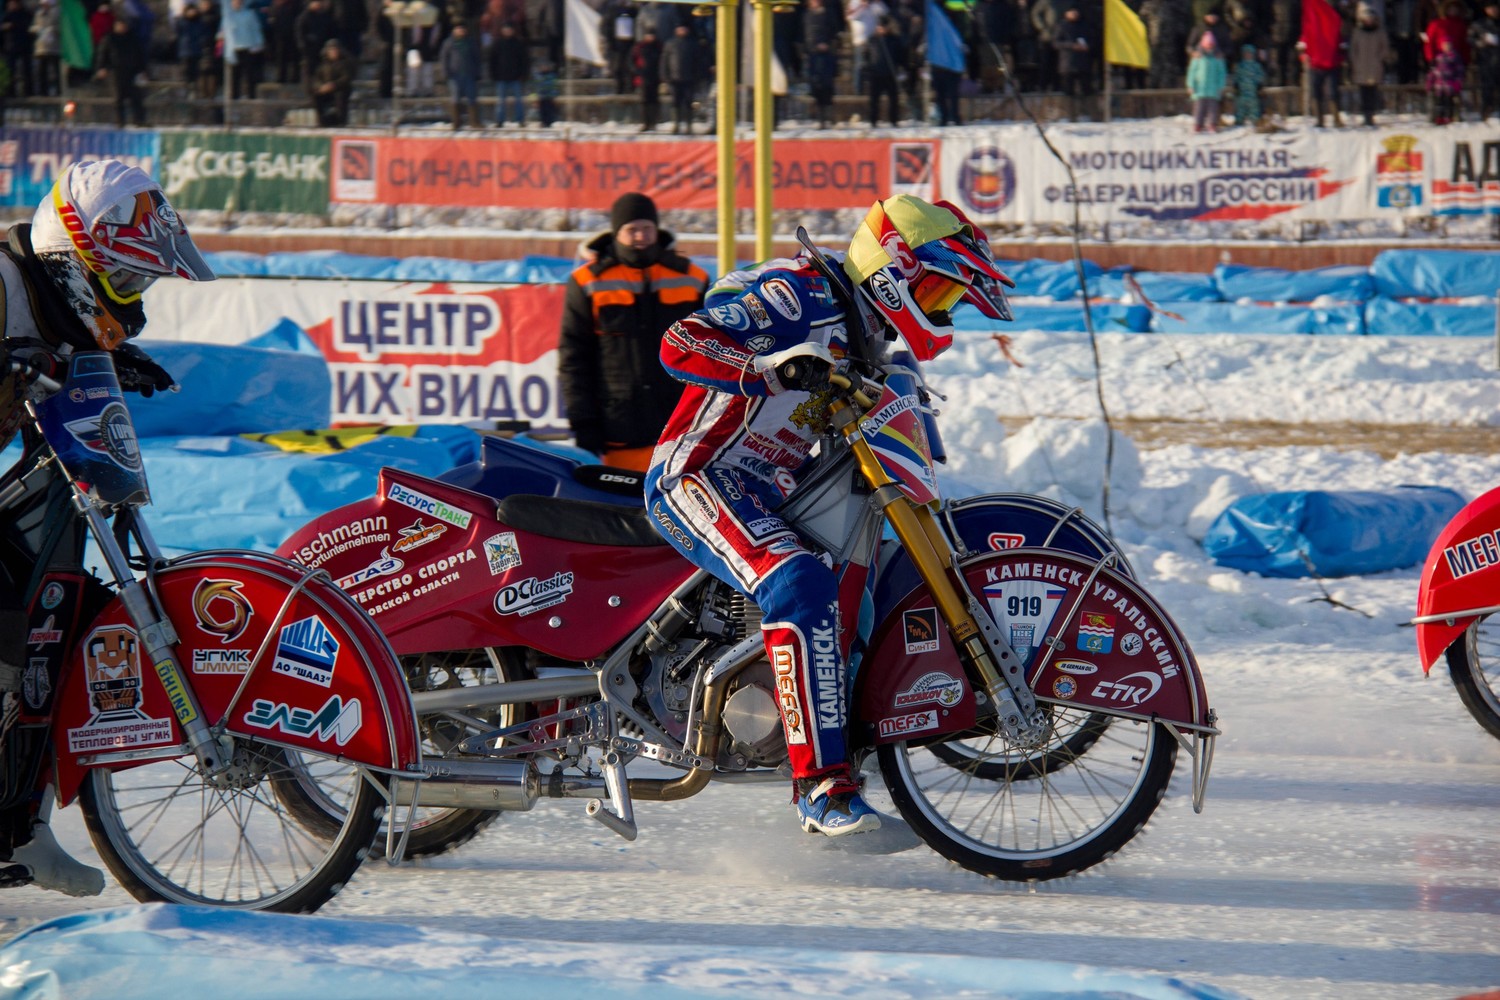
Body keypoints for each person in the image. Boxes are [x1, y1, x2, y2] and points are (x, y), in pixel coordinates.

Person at [643, 195, 1013, 836]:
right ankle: (818, 786)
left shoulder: (867, 335)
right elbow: (681, 341)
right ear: (895, 266)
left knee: (860, 590)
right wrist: (765, 368)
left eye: (950, 302)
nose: (940, 311)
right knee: (801, 582)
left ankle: (842, 739)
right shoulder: (804, 297)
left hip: (769, 488)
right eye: (938, 291)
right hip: (699, 475)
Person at [0, 159, 213, 897]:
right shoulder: (1, 283)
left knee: (57, 614)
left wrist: (119, 357)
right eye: (124, 280)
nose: (132, 296)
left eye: (141, 282)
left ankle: (20, 826)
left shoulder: (60, 301)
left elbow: (67, 348)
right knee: (3, 620)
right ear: (74, 259)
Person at [558, 192, 709, 472]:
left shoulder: (692, 278)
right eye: (632, 229)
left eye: (647, 228)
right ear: (617, 232)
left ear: (657, 229)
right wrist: (584, 424)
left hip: (681, 425)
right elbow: (574, 359)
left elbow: (709, 352)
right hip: (618, 430)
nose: (640, 236)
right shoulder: (588, 281)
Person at [94, 17, 147, 127]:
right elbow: (103, 54)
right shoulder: (109, 38)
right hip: (116, 72)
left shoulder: (132, 38)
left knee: (136, 97)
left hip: (132, 72)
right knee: (118, 98)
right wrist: (101, 67)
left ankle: (139, 120)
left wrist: (142, 70)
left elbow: (140, 55)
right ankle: (120, 121)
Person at [1347, 3, 1391, 126]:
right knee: (1363, 93)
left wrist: (1379, 59)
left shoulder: (1379, 32)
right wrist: (1355, 62)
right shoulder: (1357, 32)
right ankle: (1365, 115)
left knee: (1373, 92)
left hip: (1374, 67)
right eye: (1367, 18)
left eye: (1371, 18)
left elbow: (1385, 48)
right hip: (1361, 67)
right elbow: (1353, 49)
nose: (1369, 20)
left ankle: (1371, 115)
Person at [439, 19, 481, 129]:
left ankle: (474, 122)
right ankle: (456, 122)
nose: (461, 31)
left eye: (462, 29)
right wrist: (445, 72)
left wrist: (477, 72)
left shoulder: (470, 42)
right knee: (455, 99)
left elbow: (476, 58)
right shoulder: (448, 43)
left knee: (472, 98)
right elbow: (444, 58)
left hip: (469, 74)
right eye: (458, 29)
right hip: (454, 75)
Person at [221, 0, 266, 100]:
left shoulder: (249, 14)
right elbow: (224, 32)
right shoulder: (228, 17)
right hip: (234, 49)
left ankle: (251, 96)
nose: (237, 4)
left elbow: (255, 29)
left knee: (249, 75)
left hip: (247, 48)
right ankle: (234, 97)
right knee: (235, 76)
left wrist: (258, 43)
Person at [1051, 6, 1091, 118]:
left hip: (1083, 62)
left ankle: (1087, 112)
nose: (1074, 14)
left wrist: (1088, 46)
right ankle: (1071, 115)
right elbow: (1056, 43)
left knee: (1087, 89)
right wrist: (1071, 46)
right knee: (1068, 91)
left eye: (1076, 11)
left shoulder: (1084, 25)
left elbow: (1093, 39)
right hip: (1067, 63)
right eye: (1071, 12)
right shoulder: (1061, 26)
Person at [660, 22, 700, 134]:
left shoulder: (692, 43)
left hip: (689, 78)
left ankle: (689, 125)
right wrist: (665, 76)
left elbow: (697, 61)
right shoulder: (670, 43)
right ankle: (676, 124)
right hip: (674, 79)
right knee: (675, 103)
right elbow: (664, 61)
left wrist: (696, 76)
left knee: (688, 103)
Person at [489, 20, 529, 126]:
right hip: (501, 77)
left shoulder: (518, 43)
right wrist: (494, 75)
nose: (507, 31)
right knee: (500, 101)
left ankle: (520, 120)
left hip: (516, 77)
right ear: (502, 30)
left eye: (509, 29)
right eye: (505, 29)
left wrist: (524, 74)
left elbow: (524, 60)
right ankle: (499, 120)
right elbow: (492, 61)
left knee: (519, 101)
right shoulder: (497, 43)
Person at [867, 16, 905, 125]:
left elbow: (900, 57)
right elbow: (867, 56)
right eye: (880, 26)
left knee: (894, 99)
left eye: (884, 26)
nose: (881, 29)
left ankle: (894, 120)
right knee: (874, 100)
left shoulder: (894, 40)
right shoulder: (872, 40)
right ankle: (873, 120)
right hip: (876, 74)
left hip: (890, 74)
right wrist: (869, 69)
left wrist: (900, 68)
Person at [1187, 30, 1226, 131]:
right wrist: (1190, 85)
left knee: (1213, 109)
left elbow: (1221, 73)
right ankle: (1198, 124)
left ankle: (1212, 123)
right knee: (1199, 108)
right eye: (1207, 46)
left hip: (1213, 89)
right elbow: (1192, 72)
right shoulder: (1198, 57)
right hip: (1200, 89)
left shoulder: (1218, 58)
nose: (1209, 48)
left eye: (1211, 46)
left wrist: (1221, 86)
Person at [311, 35, 353, 125]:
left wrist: (333, 85)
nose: (334, 52)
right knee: (316, 96)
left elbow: (346, 78)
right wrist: (321, 87)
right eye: (331, 50)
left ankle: (341, 121)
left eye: (336, 50)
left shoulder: (345, 63)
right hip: (326, 89)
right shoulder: (323, 65)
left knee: (340, 96)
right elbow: (317, 78)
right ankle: (321, 121)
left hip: (340, 89)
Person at [1471, 0, 1500, 121]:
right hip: (1486, 60)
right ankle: (1486, 112)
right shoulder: (1479, 24)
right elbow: (1470, 39)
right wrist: (1482, 42)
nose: (1493, 10)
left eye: (1495, 8)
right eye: (1490, 8)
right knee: (1487, 88)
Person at [631, 26, 662, 130]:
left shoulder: (659, 47)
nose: (650, 37)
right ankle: (645, 122)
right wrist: (638, 71)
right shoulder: (639, 47)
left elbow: (663, 61)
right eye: (648, 35)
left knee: (654, 101)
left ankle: (653, 123)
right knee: (644, 101)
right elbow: (631, 61)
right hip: (643, 78)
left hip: (655, 77)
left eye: (652, 35)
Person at [1427, 35, 1464, 122]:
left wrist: (1458, 82)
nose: (1447, 46)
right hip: (1439, 85)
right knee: (1439, 102)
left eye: (1448, 44)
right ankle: (1440, 117)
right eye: (1445, 45)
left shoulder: (1455, 57)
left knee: (1449, 102)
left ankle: (1449, 117)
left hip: (1450, 84)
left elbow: (1460, 70)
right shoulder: (1438, 57)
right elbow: (1433, 71)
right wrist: (1430, 82)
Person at [1232, 40, 1265, 126]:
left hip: (1252, 91)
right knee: (1240, 107)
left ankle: (1255, 120)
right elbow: (1237, 75)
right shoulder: (1240, 65)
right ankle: (1239, 120)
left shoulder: (1256, 66)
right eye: (1246, 53)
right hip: (1242, 91)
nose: (1248, 55)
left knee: (1254, 107)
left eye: (1250, 53)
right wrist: (1236, 84)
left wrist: (1260, 84)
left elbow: (1260, 75)